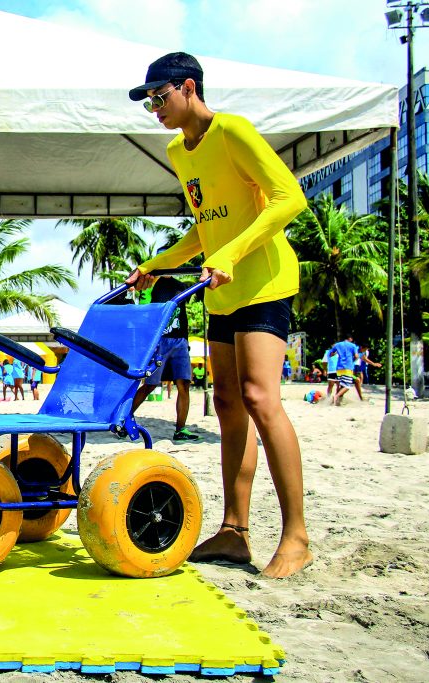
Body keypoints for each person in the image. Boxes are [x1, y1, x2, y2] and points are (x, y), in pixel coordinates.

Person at [126, 52, 311, 578]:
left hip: (265, 281)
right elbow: (203, 229)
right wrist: (155, 266)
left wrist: (232, 253)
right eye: (149, 103)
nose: (155, 108)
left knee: (259, 397)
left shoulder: (233, 131)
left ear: (189, 87)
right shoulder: (178, 153)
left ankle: (296, 535)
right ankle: (235, 531)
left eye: (160, 98)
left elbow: (288, 198)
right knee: (228, 403)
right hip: (221, 292)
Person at [130, 275, 199, 441]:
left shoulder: (181, 285)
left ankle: (181, 429)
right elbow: (144, 309)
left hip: (180, 340)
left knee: (184, 384)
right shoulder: (151, 284)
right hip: (159, 340)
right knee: (150, 385)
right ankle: (124, 419)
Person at [330, 333, 360, 406]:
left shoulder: (337, 345)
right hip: (347, 367)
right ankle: (336, 397)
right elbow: (356, 356)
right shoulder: (353, 346)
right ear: (350, 339)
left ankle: (338, 402)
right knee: (347, 386)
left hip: (339, 368)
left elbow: (331, 354)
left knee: (341, 386)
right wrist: (352, 360)